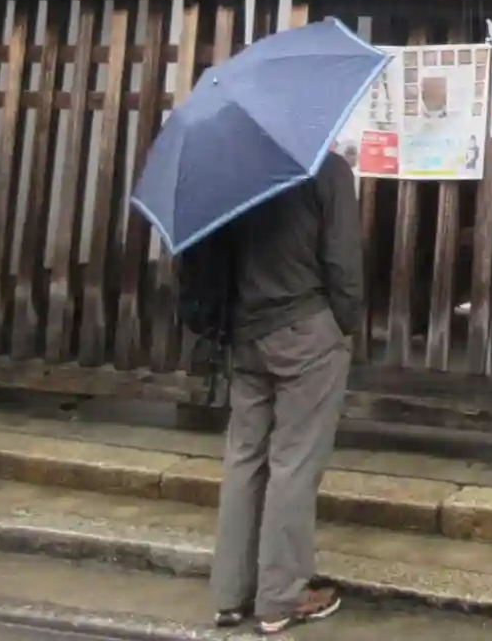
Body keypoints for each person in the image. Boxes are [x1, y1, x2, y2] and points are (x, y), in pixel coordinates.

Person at [211, 147, 362, 634]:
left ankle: (230, 593)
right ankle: (281, 597)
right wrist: (344, 324)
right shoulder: (326, 169)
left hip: (246, 331)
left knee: (244, 457)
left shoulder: (236, 169)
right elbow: (342, 261)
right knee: (294, 461)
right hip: (305, 328)